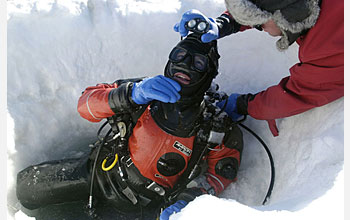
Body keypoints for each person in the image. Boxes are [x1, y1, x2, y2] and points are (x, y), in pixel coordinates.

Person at [16, 34, 244, 220]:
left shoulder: (215, 125)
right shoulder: (146, 90)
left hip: (144, 209)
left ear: (209, 73)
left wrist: (188, 198)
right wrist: (132, 94)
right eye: (180, 55)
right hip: (101, 173)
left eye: (198, 62)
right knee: (27, 188)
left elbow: (218, 176)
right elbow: (86, 104)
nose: (185, 65)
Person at [174, 0, 344, 136]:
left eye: (259, 23)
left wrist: (244, 104)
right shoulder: (308, 8)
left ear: (285, 16)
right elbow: (267, 6)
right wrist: (225, 23)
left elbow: (297, 94)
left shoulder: (330, 47)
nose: (257, 27)